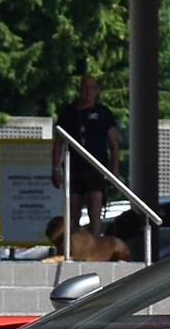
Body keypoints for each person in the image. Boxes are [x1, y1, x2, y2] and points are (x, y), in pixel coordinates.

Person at [51, 74, 122, 236]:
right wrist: (55, 169)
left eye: (91, 88)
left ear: (96, 91)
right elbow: (58, 144)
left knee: (94, 211)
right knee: (73, 212)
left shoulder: (103, 113)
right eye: (84, 88)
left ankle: (95, 247)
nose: (88, 92)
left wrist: (115, 172)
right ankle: (74, 247)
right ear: (78, 90)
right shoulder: (68, 112)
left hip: (97, 169)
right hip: (74, 169)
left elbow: (114, 143)